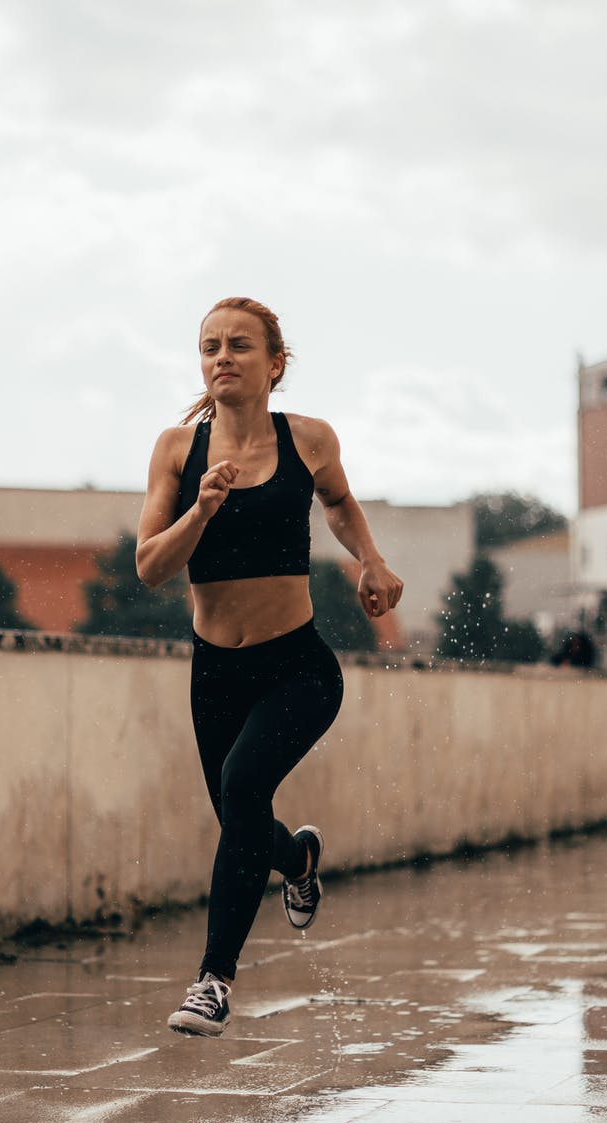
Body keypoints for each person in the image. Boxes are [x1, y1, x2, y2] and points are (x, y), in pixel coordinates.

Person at [134, 296, 403, 1037]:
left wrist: (371, 561)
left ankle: (213, 982)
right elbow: (150, 567)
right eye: (210, 345)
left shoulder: (309, 439)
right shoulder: (176, 452)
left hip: (300, 667)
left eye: (240, 346)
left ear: (274, 364)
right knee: (241, 818)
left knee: (243, 786)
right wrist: (201, 511)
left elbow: (342, 505)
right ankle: (300, 859)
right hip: (214, 673)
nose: (222, 356)